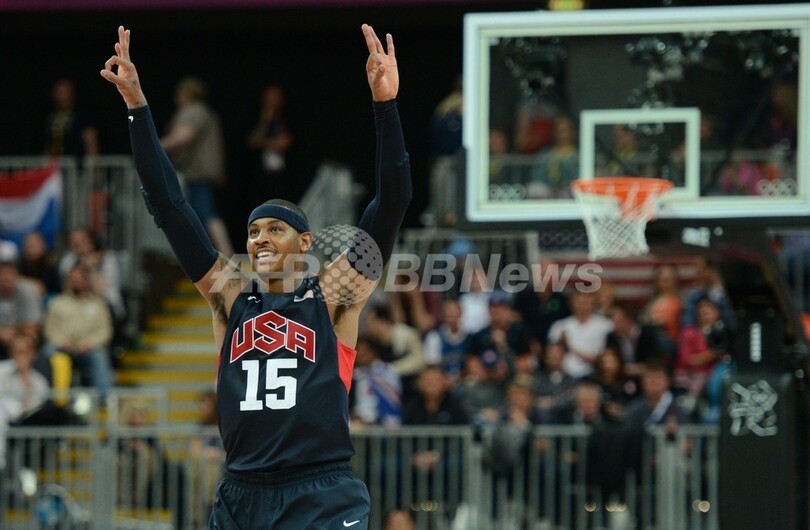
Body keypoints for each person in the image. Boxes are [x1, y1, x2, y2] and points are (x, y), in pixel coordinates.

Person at [101, 23, 410, 530]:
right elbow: (170, 207)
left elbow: (392, 201)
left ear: (305, 243)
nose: (260, 239)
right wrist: (137, 106)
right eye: (252, 231)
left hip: (321, 490)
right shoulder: (231, 299)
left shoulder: (332, 296)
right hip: (242, 493)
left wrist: (386, 105)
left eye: (274, 229)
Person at [161, 76, 233, 257]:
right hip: (202, 173)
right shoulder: (207, 112)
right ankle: (204, 255)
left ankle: (226, 253)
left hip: (198, 173)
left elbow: (184, 136)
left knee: (206, 213)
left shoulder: (193, 111)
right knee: (198, 214)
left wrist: (154, 146)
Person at [42, 264, 115, 402]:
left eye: (79, 278)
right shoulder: (58, 303)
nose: (76, 281)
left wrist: (90, 343)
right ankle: (47, 398)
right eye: (73, 278)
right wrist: (62, 341)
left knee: (99, 355)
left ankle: (104, 400)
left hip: (88, 349)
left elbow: (105, 331)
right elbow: (49, 330)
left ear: (86, 280)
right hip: (63, 347)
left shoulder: (98, 304)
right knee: (47, 351)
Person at [246, 83, 294, 201]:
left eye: (275, 98)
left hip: (280, 174)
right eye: (269, 98)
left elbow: (284, 144)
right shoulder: (256, 118)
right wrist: (265, 121)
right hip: (259, 174)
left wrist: (263, 142)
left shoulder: (286, 119)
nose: (271, 102)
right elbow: (252, 142)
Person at [43, 78, 99, 160]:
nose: (60, 96)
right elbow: (49, 142)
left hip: (74, 163)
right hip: (54, 162)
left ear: (71, 92)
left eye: (63, 92)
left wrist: (92, 165)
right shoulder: (52, 116)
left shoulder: (81, 114)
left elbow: (90, 140)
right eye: (58, 92)